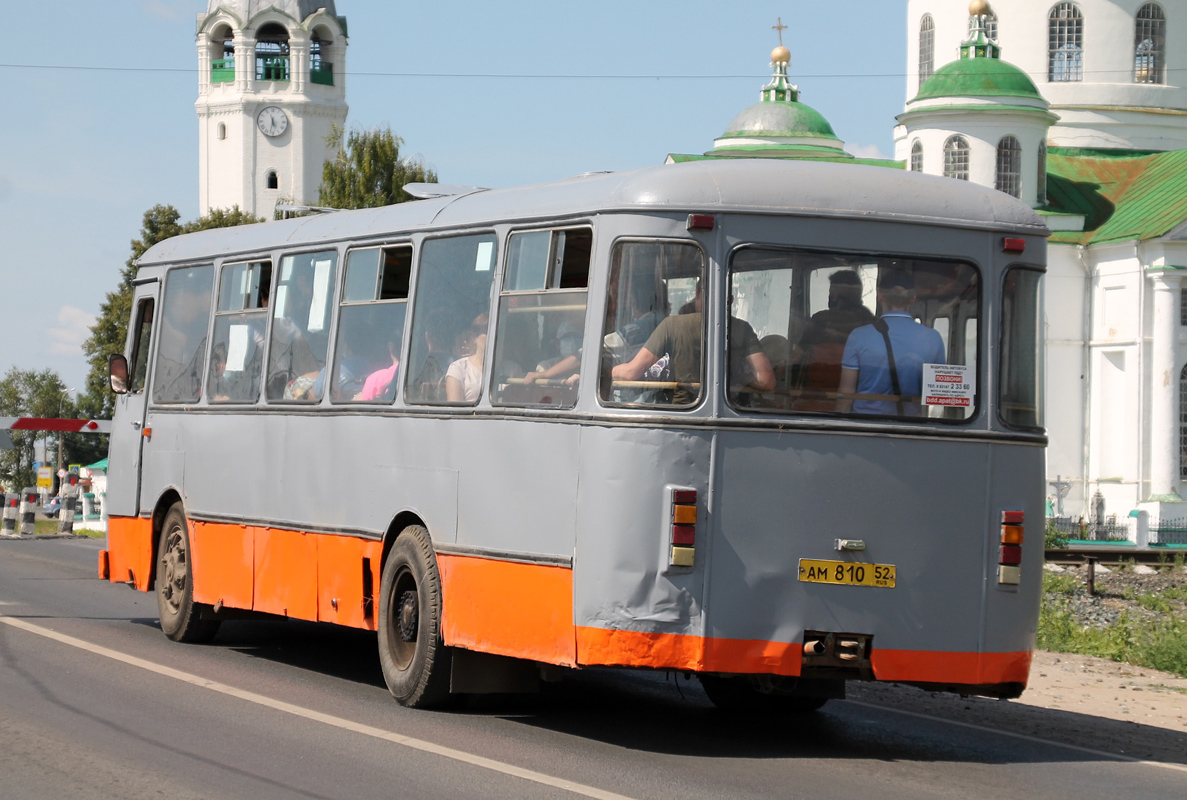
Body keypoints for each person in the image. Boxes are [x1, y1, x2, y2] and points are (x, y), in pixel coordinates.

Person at [612, 281, 774, 406]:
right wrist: (740, 376)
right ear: (730, 300)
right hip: (732, 410)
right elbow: (766, 381)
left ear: (698, 293)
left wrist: (605, 371)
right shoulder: (742, 328)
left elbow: (630, 373)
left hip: (682, 411)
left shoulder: (671, 325)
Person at [837, 270, 945, 416]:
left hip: (864, 426)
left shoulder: (859, 336)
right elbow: (940, 394)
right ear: (913, 298)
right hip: (910, 428)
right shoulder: (933, 338)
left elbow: (846, 394)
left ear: (879, 296)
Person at [795, 270, 875, 410]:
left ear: (836, 294)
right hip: (859, 399)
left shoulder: (820, 320)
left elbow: (797, 355)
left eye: (831, 291)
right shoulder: (870, 321)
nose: (830, 295)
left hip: (817, 395)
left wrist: (778, 366)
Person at [445, 313, 490, 403]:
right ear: (474, 337)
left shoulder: (513, 370)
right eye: (486, 332)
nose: (493, 336)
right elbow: (455, 412)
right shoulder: (458, 369)